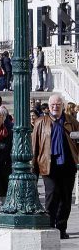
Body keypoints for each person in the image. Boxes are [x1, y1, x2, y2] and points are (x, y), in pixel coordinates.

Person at [31, 93, 79, 239]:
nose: (55, 107)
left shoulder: (71, 121)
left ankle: (61, 227)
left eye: (58, 104)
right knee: (51, 195)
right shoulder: (41, 122)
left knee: (65, 198)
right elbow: (35, 146)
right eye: (52, 105)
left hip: (68, 164)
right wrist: (34, 167)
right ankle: (50, 225)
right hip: (48, 164)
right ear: (49, 106)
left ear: (62, 106)